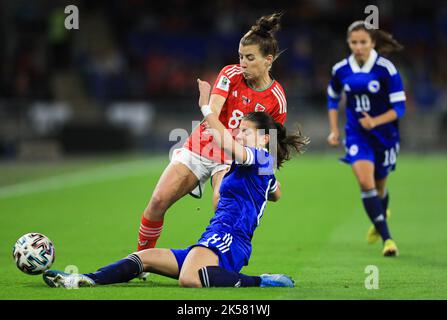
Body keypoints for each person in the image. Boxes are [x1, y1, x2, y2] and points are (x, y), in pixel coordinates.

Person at [42, 79, 309, 289]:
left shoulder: (259, 155)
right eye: (238, 131)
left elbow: (232, 148)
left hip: (231, 240)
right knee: (143, 259)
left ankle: (260, 281)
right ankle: (83, 279)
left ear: (264, 139)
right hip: (214, 237)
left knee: (190, 278)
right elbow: (276, 193)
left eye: (245, 132)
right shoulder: (262, 164)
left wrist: (206, 107)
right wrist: (263, 191)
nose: (238, 134)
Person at [137, 13, 288, 256]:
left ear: (268, 60)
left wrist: (264, 177)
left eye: (250, 58)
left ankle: (214, 257)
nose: (243, 63)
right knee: (157, 201)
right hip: (204, 144)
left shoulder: (277, 100)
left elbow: (269, 143)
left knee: (221, 204)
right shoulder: (230, 75)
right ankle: (141, 260)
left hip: (233, 156)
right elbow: (213, 115)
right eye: (240, 56)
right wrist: (208, 110)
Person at [326, 21, 405, 256]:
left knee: (380, 187)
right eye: (353, 42)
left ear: (372, 43)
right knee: (365, 183)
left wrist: (375, 121)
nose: (358, 47)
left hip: (385, 136)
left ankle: (380, 214)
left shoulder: (386, 69)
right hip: (357, 135)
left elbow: (399, 108)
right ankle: (388, 239)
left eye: (363, 42)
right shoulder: (341, 69)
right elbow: (332, 98)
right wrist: (334, 130)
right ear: (348, 43)